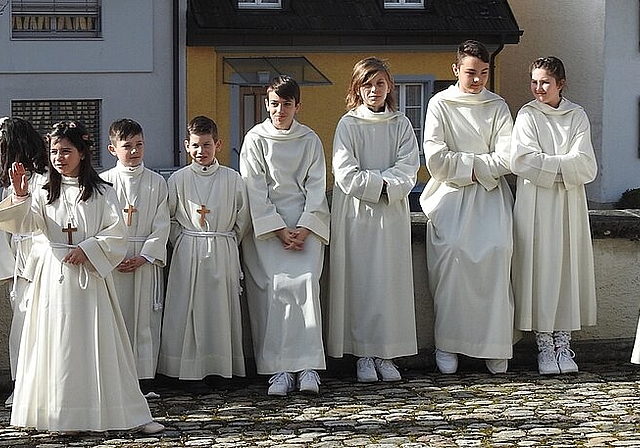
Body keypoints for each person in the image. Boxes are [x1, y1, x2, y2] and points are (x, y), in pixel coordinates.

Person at [0, 121, 162, 433]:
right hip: (53, 279)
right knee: (57, 345)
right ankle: (61, 415)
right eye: (54, 152)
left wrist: (88, 249)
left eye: (66, 151)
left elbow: (117, 234)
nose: (59, 157)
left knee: (95, 345)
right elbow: (26, 226)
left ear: (83, 153)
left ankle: (119, 412)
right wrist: (20, 194)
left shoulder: (102, 192)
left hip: (88, 282)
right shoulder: (43, 192)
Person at [419, 40, 515, 375]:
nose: (477, 80)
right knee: (454, 256)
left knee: (498, 252)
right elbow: (434, 157)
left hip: (490, 197)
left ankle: (494, 344)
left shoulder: (498, 106)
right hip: (450, 197)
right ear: (456, 70)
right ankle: (449, 342)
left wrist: (473, 168)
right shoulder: (439, 104)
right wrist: (477, 167)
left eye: (484, 73)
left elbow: (508, 156)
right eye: (471, 72)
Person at [327, 57, 420, 383]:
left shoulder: (401, 125)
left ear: (389, 86)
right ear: (357, 88)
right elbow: (345, 172)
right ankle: (364, 354)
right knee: (362, 283)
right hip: (357, 215)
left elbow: (409, 166)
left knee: (388, 284)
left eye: (380, 83)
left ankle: (386, 353)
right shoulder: (348, 125)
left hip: (390, 214)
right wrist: (381, 184)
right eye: (367, 84)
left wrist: (383, 185)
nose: (374, 90)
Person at [240, 75, 330, 396]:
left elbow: (317, 187)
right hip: (268, 229)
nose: (280, 110)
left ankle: (308, 367)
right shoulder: (255, 140)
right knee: (274, 290)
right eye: (274, 104)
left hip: (305, 226)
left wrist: (305, 227)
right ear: (266, 103)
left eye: (286, 104)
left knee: (306, 285)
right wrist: (278, 229)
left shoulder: (310, 140)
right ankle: (278, 369)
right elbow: (254, 188)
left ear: (297, 106)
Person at [511, 56, 597, 375]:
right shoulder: (527, 115)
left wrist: (548, 165)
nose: (538, 88)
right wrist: (563, 166)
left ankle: (564, 342)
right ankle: (544, 345)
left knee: (565, 268)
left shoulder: (577, 115)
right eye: (534, 81)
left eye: (545, 82)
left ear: (560, 83)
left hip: (568, 205)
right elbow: (521, 159)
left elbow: (586, 163)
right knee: (539, 268)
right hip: (535, 205)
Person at [158, 115, 250, 381]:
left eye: (207, 145)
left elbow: (242, 217)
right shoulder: (178, 179)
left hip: (222, 248)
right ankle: (184, 370)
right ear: (187, 146)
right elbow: (170, 217)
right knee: (186, 311)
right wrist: (185, 240)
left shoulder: (233, 179)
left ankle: (222, 369)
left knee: (220, 311)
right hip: (188, 250)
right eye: (196, 146)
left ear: (218, 144)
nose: (201, 151)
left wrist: (225, 239)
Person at [100, 118, 170, 383]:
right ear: (112, 149)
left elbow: (162, 224)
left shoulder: (157, 182)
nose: (134, 151)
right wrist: (114, 253)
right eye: (127, 146)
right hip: (114, 261)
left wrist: (144, 256)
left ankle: (144, 378)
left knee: (145, 320)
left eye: (139, 144)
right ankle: (115, 378)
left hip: (144, 259)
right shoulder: (103, 183)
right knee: (115, 319)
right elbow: (99, 225)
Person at [0, 117, 49, 407]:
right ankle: (22, 387)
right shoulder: (10, 184)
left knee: (39, 327)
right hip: (19, 266)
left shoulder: (44, 179)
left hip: (39, 263)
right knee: (21, 328)